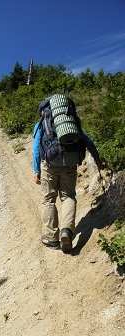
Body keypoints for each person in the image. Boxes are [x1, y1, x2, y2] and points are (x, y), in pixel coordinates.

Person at [33, 97, 101, 253]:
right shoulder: (70, 122)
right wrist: (96, 157)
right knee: (68, 197)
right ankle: (66, 231)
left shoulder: (41, 124)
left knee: (49, 199)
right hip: (69, 163)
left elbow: (36, 148)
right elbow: (87, 140)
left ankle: (51, 238)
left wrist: (36, 170)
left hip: (49, 165)